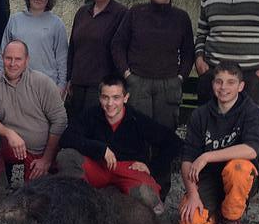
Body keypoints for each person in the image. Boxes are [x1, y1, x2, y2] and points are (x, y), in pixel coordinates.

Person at [111, 0, 194, 198]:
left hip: (168, 86)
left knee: (164, 138)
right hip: (138, 84)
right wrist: (127, 74)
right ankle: (138, 189)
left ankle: (161, 190)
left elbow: (188, 52)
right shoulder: (135, 13)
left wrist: (180, 78)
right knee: (138, 137)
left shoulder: (181, 18)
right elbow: (117, 45)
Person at [59, 75, 182, 215]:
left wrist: (151, 167)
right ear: (99, 97)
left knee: (147, 197)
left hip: (128, 169)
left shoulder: (137, 119)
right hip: (98, 166)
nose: (110, 103)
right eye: (105, 97)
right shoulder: (91, 115)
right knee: (66, 156)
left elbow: (174, 142)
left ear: (126, 98)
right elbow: (66, 138)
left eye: (116, 97)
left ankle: (150, 211)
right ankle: (78, 203)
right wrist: (100, 149)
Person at [179, 61, 259, 224]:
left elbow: (251, 149)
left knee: (239, 167)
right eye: (219, 81)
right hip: (208, 178)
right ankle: (220, 217)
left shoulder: (252, 112)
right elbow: (187, 159)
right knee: (190, 222)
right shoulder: (200, 115)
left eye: (231, 82)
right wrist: (193, 195)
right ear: (212, 85)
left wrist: (207, 156)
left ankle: (232, 217)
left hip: (239, 178)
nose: (224, 87)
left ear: (241, 86)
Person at [0, 40, 67, 191]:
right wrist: (9, 133)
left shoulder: (42, 82)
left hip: (40, 151)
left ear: (27, 60)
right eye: (8, 58)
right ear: (2, 57)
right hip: (11, 144)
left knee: (34, 198)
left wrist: (47, 158)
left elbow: (60, 120)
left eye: (18, 59)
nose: (12, 64)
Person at [66, 0, 127, 119]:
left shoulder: (121, 13)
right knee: (75, 129)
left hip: (101, 85)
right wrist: (69, 79)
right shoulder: (82, 12)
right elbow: (73, 47)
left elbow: (121, 50)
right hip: (78, 83)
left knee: (94, 129)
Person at [0, 0, 68, 95]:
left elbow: (62, 58)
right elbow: (3, 52)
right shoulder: (15, 20)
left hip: (46, 86)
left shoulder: (57, 24)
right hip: (15, 84)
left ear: (49, 0)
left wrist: (61, 85)